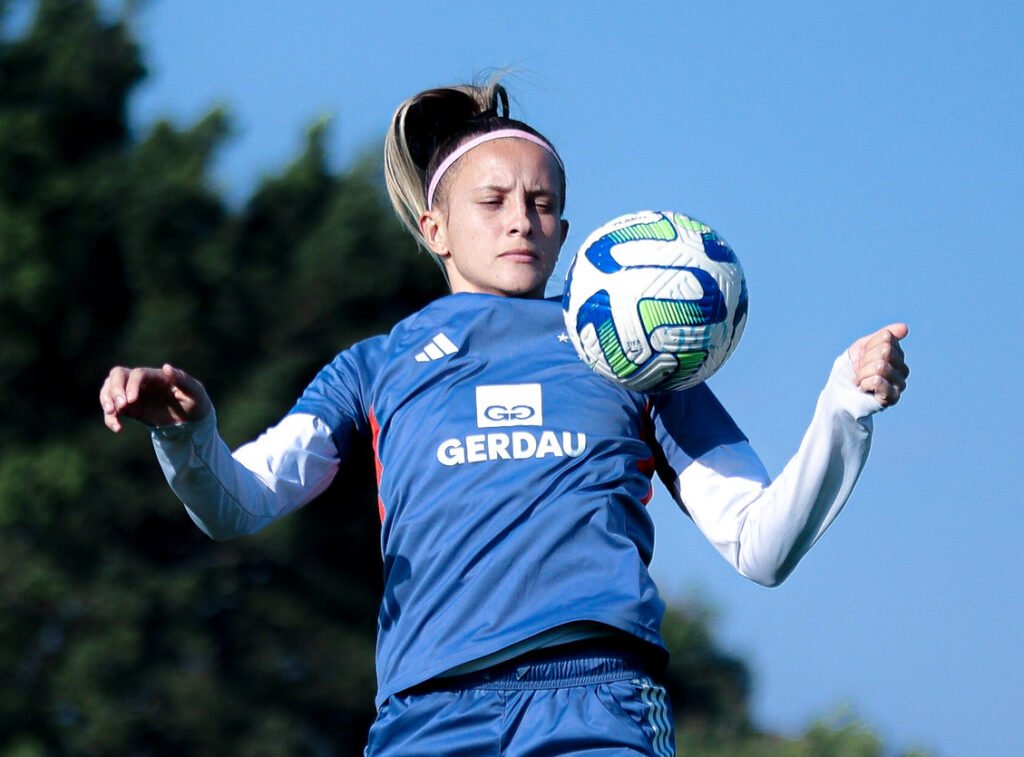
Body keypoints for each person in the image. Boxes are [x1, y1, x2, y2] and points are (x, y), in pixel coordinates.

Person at [99, 79, 909, 756]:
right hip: (427, 714)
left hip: (600, 701)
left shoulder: (632, 355)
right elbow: (238, 502)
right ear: (435, 228)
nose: (521, 217)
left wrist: (844, 406)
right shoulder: (376, 367)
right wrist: (185, 434)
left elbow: (762, 545)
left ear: (565, 231)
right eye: (492, 200)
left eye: (543, 202)